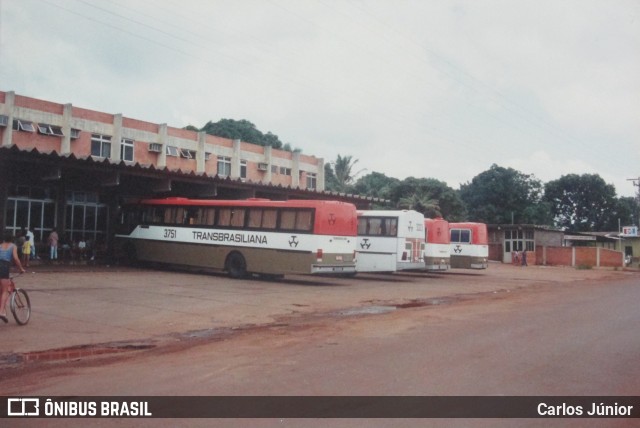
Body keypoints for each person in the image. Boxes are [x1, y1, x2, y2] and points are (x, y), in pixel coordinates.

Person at [0, 232, 26, 323]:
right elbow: (15, 258)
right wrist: (21, 268)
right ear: (12, 239)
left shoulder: (0, 245)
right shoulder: (13, 246)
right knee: (5, 291)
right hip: (4, 267)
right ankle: (1, 311)